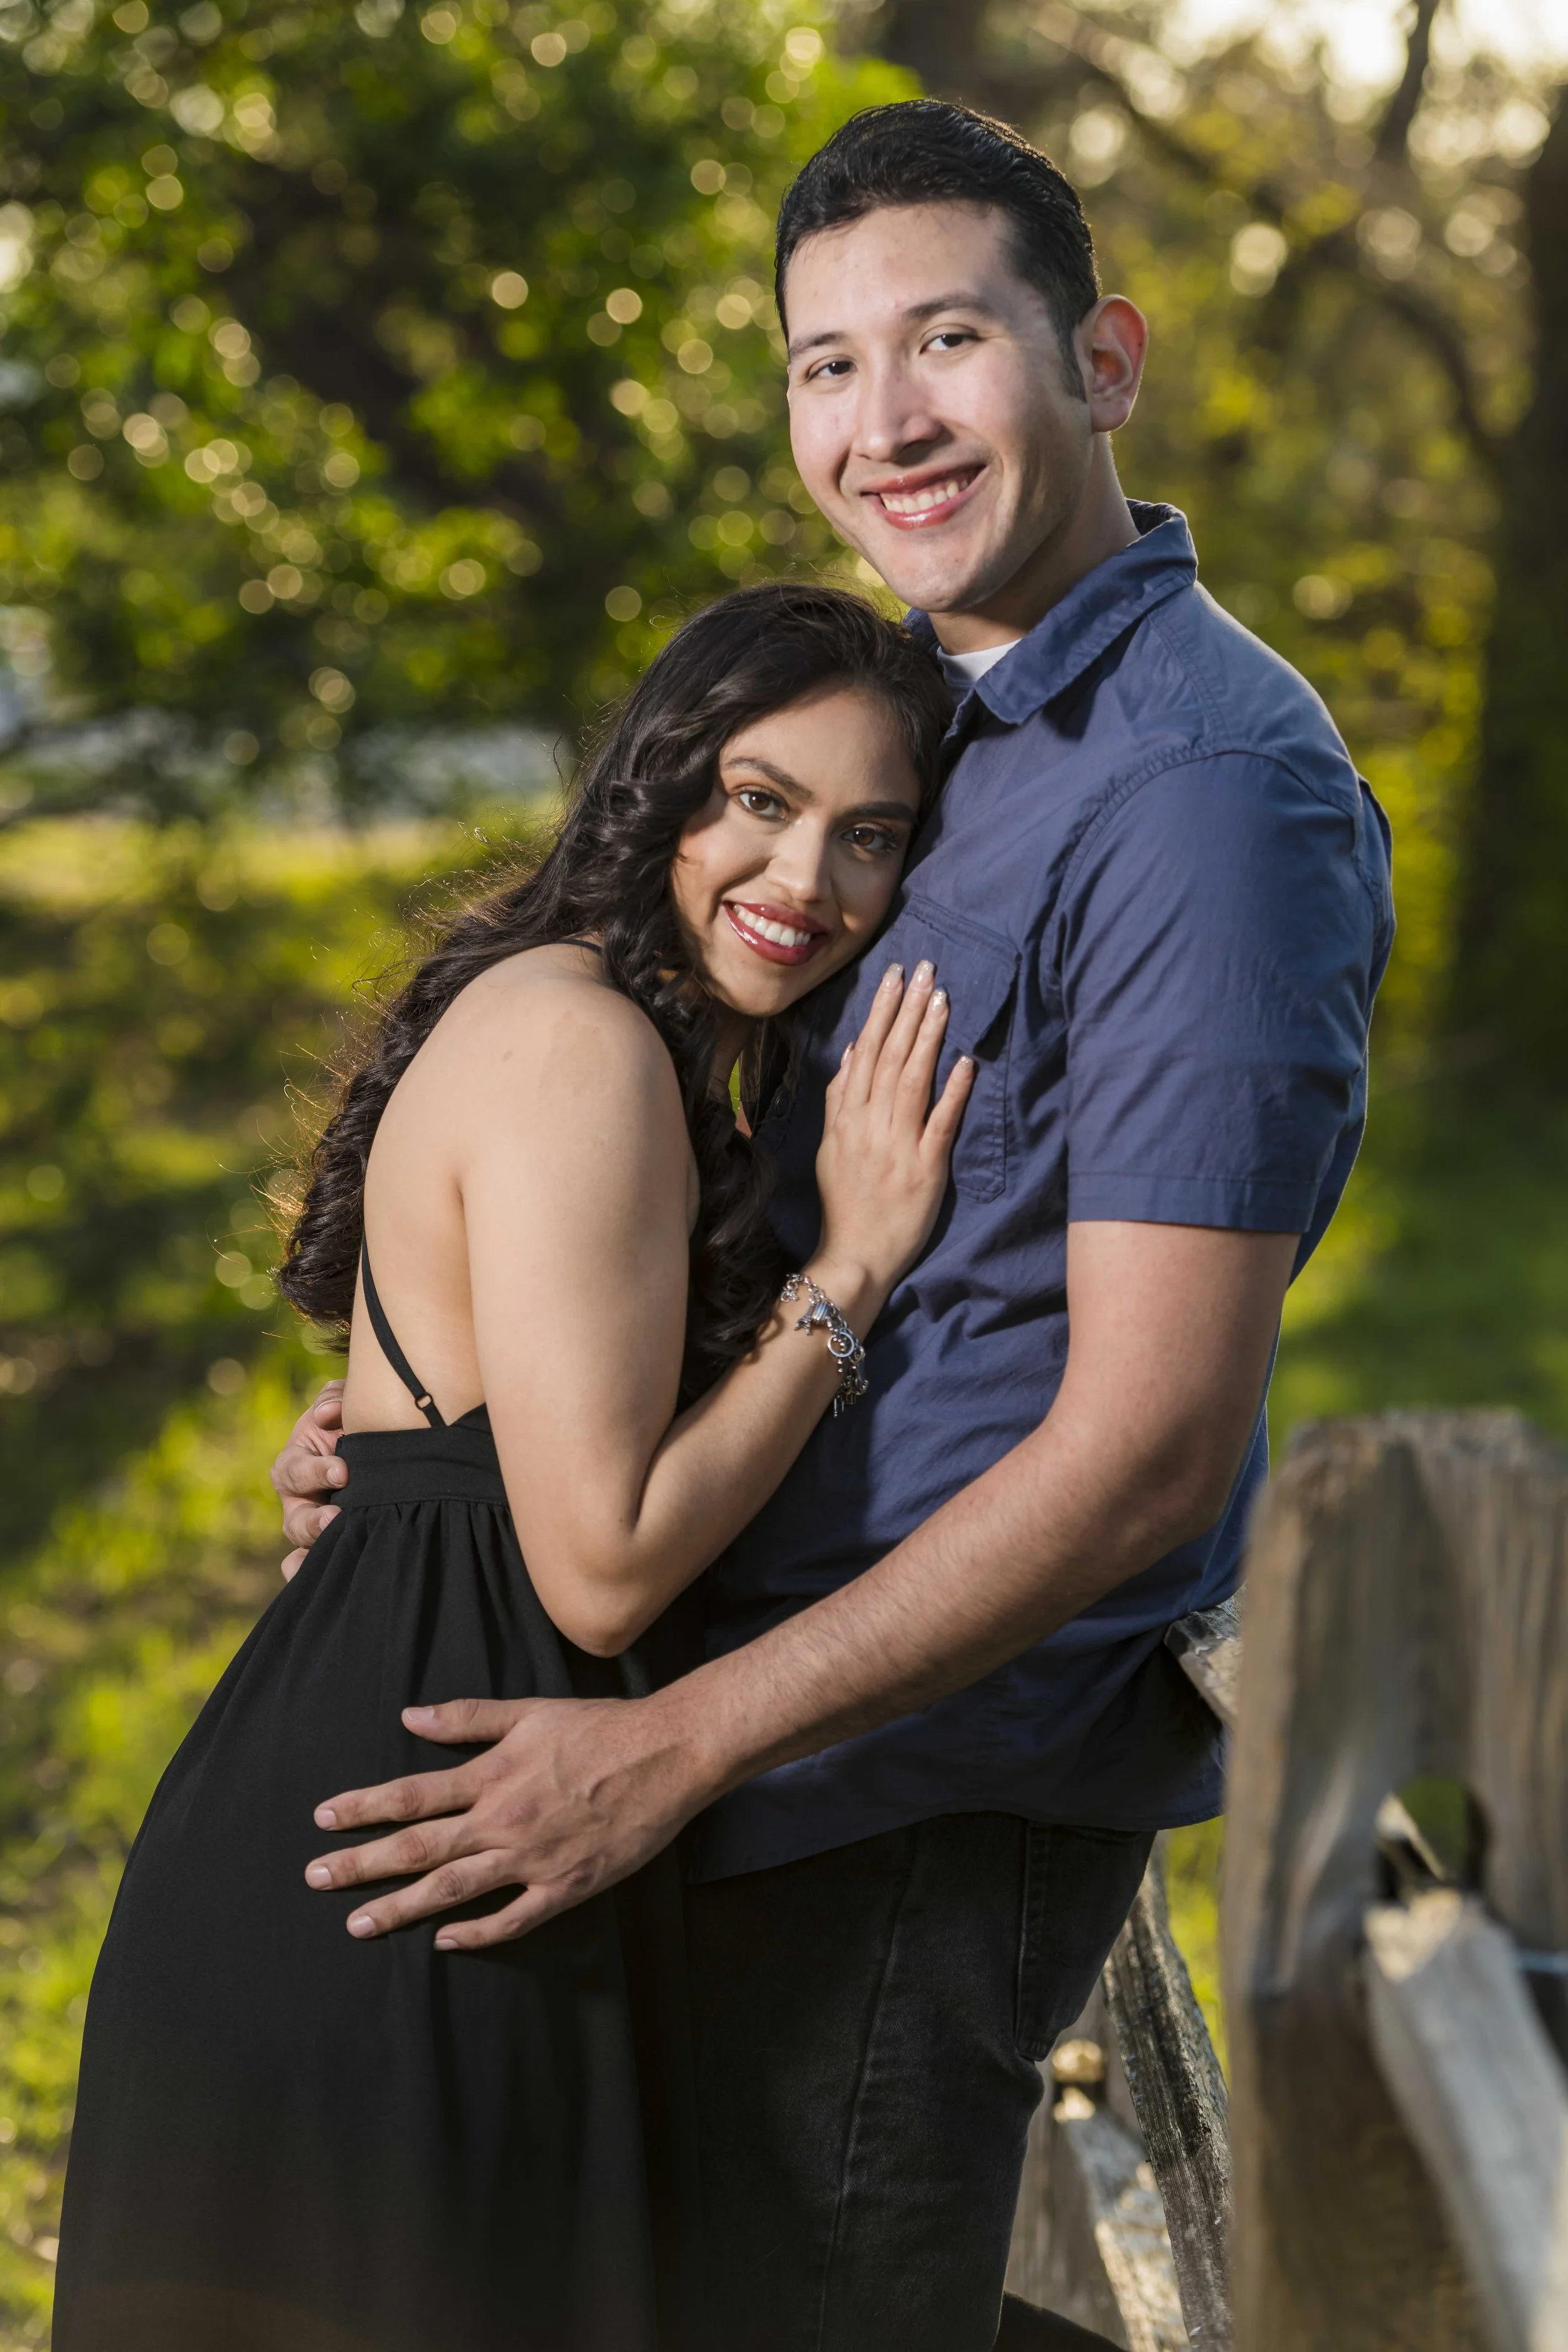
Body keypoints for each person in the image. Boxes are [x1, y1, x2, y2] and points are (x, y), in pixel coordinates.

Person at [272, 101, 1395, 2352]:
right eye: (821, 362)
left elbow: (1151, 1448)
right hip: (694, 1737)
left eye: (946, 338)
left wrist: (675, 1746)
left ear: (1102, 359)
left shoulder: (1201, 797)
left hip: (883, 1802)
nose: (881, 419)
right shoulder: (931, 728)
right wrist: (448, 1433)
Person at [51, 583, 970, 2352]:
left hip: (428, 1827)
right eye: (757, 801)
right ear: (661, 784)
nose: (806, 879)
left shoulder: (591, 1020)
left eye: (871, 834)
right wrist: (846, 1278)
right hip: (411, 1873)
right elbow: (603, 1563)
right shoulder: (584, 1045)